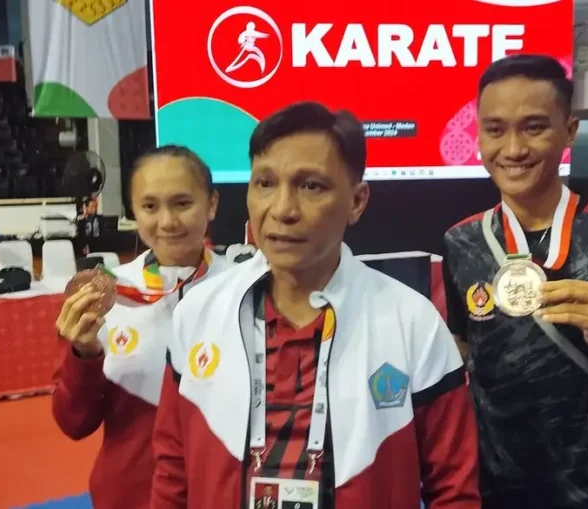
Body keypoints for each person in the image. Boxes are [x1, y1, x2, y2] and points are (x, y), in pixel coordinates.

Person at [150, 102, 481, 509]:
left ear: (357, 201)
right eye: (265, 183)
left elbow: (454, 489)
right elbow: (172, 470)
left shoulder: (412, 322)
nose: (282, 210)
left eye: (311, 186)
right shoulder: (199, 312)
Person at [442, 54, 588, 509]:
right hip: (490, 491)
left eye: (534, 127)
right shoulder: (461, 242)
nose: (513, 149)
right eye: (495, 129)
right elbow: (463, 362)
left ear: (569, 131)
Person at [52, 145, 242, 509]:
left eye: (182, 203)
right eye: (150, 206)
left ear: (212, 204)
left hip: (221, 495)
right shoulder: (106, 295)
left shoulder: (243, 291)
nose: (167, 222)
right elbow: (74, 423)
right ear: (134, 211)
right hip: (130, 497)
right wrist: (82, 354)